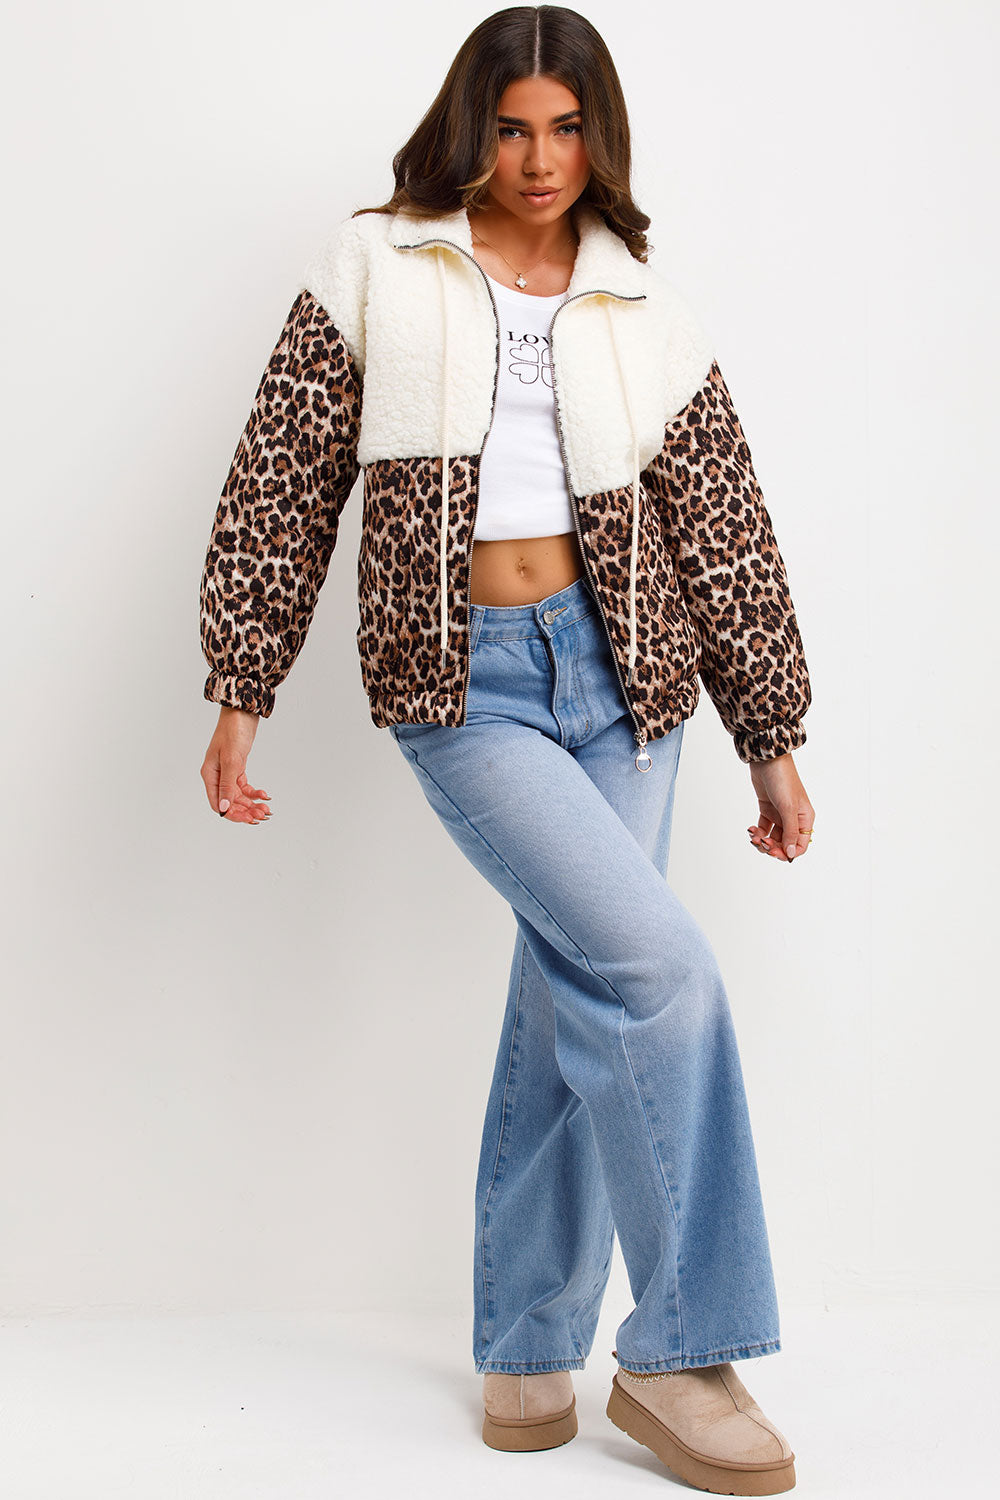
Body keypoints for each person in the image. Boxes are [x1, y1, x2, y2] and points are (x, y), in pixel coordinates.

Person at [198, 7, 815, 1493]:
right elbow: (284, 474)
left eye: (569, 128)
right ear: (472, 127)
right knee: (657, 973)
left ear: (602, 137)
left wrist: (771, 736)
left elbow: (724, 526)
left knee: (574, 990)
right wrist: (242, 682)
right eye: (516, 128)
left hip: (629, 680)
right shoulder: (381, 263)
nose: (542, 160)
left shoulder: (640, 302)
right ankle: (679, 1355)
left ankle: (531, 1343)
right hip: (463, 681)